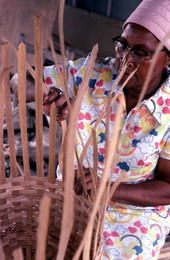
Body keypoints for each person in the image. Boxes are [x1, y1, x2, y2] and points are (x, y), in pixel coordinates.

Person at [13, 0, 170, 258]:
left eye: (141, 52)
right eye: (123, 44)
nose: (125, 59)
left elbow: (168, 186)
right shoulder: (93, 72)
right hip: (71, 200)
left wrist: (107, 189)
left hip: (133, 219)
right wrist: (45, 94)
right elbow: (19, 78)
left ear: (167, 58)